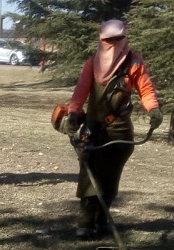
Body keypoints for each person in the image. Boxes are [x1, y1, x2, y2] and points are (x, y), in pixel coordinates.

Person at [65, 19, 163, 238]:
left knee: (110, 177)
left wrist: (153, 110)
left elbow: (145, 90)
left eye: (118, 39)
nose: (113, 44)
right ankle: (85, 222)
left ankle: (103, 220)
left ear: (125, 38)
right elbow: (81, 91)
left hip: (120, 130)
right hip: (93, 129)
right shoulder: (92, 63)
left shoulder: (134, 63)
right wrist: (73, 112)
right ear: (101, 39)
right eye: (108, 40)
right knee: (89, 175)